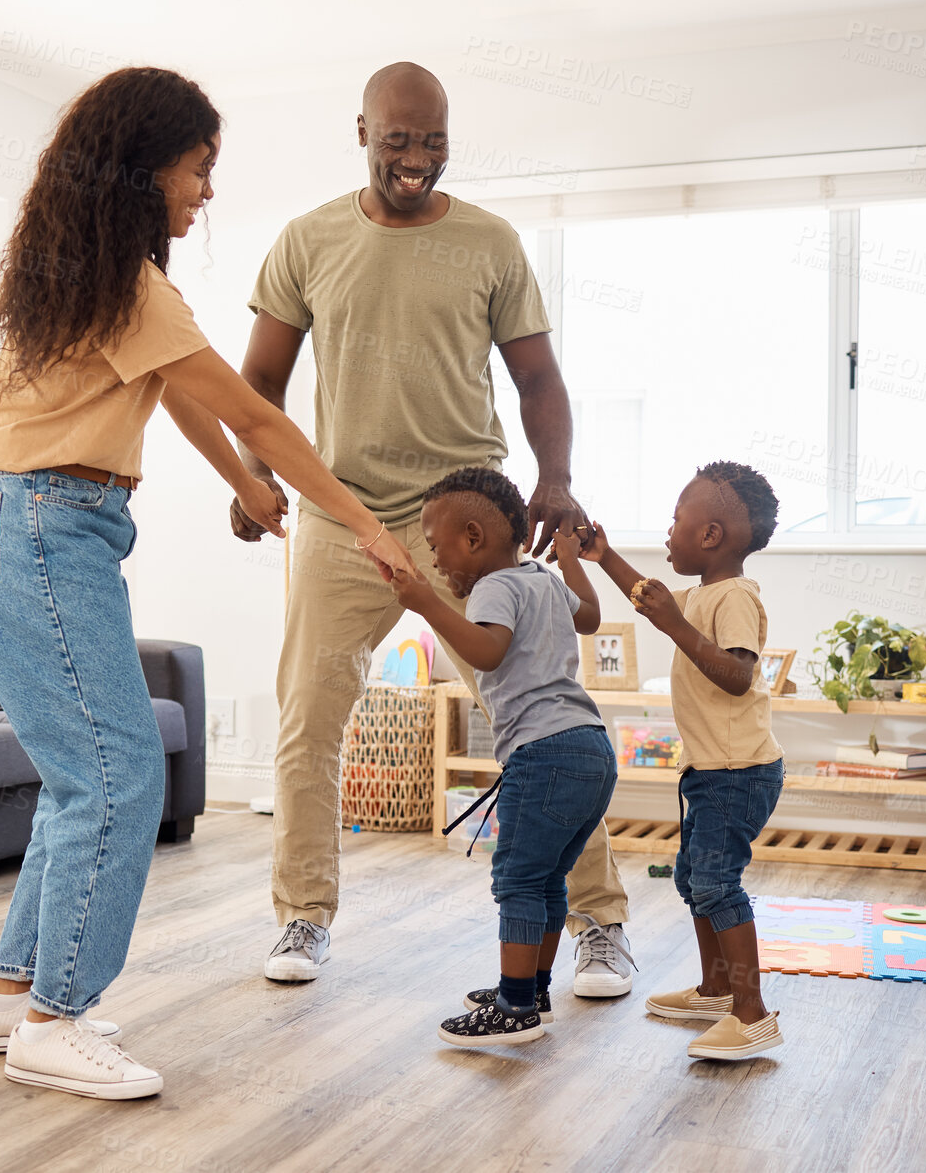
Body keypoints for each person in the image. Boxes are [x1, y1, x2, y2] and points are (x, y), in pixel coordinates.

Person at [0, 66, 417, 1100]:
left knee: (84, 775)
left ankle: (7, 995)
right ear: (144, 166)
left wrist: (246, 484)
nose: (205, 192)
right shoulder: (126, 283)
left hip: (20, 518)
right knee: (119, 774)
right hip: (36, 523)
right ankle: (55, 1022)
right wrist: (366, 521)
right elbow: (259, 411)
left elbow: (189, 402)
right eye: (199, 169)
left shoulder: (95, 275)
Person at [231, 61, 635, 995]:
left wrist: (557, 479)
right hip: (343, 513)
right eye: (399, 139)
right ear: (362, 131)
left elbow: (537, 379)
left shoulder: (490, 242)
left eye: (434, 140)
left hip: (472, 515)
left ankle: (601, 922)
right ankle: (302, 917)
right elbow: (258, 384)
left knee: (540, 720)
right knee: (308, 720)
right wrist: (255, 474)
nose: (417, 158)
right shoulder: (308, 239)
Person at [389, 468, 619, 1046]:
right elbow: (590, 617)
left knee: (518, 877)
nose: (437, 563)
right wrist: (570, 558)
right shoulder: (540, 578)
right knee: (547, 878)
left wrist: (424, 604)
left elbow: (487, 653)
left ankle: (515, 1007)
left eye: (437, 547)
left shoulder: (494, 585)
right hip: (590, 745)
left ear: (473, 536)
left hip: (542, 752)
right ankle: (534, 987)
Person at [577, 461, 787, 1060]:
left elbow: (738, 677)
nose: (668, 532)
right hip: (709, 770)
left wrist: (674, 624)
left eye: (676, 520)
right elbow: (651, 600)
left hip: (738, 772)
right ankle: (717, 990)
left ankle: (751, 1014)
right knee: (695, 881)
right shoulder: (701, 594)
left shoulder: (736, 597)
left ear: (711, 536)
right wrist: (605, 556)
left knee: (719, 884)